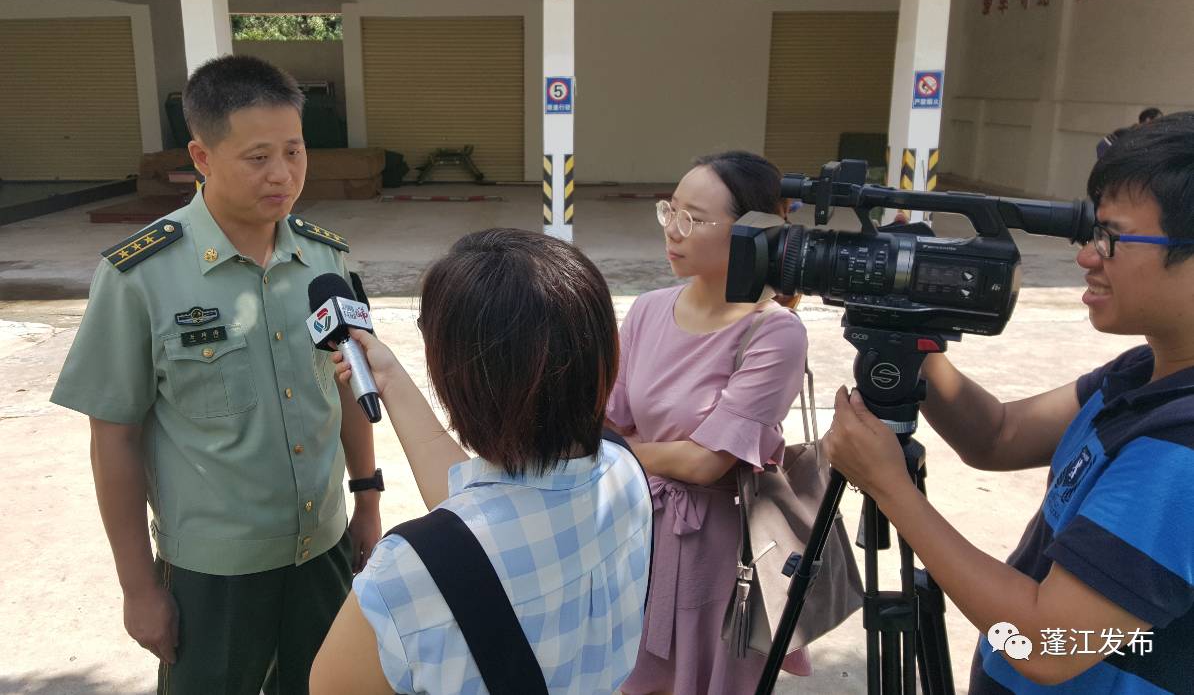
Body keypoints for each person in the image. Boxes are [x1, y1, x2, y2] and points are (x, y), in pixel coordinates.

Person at [823, 112, 1194, 693]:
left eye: (1112, 239)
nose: (1087, 258)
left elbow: (1049, 645)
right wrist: (906, 328)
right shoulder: (1146, 373)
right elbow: (997, 434)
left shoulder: (1182, 449)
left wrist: (891, 489)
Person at [50, 55, 381, 695]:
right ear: (201, 158)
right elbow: (113, 437)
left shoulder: (325, 258)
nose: (283, 175)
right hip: (213, 576)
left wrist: (367, 504)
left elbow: (349, 385)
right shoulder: (139, 275)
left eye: (295, 150)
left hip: (324, 551)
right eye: (257, 158)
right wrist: (138, 587)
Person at [309, 228, 653, 694]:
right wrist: (387, 375)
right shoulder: (624, 470)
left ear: (455, 374)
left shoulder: (405, 574)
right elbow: (472, 519)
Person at [610, 151, 813, 694]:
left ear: (753, 233)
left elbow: (706, 462)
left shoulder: (774, 333)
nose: (672, 231)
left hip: (718, 557)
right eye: (669, 211)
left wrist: (625, 448)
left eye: (694, 219)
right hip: (635, 534)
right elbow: (606, 424)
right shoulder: (649, 310)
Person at [1096, 106, 1162, 158]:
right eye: (1159, 120)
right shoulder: (1128, 133)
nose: (1161, 123)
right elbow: (1102, 145)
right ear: (1148, 120)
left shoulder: (1146, 136)